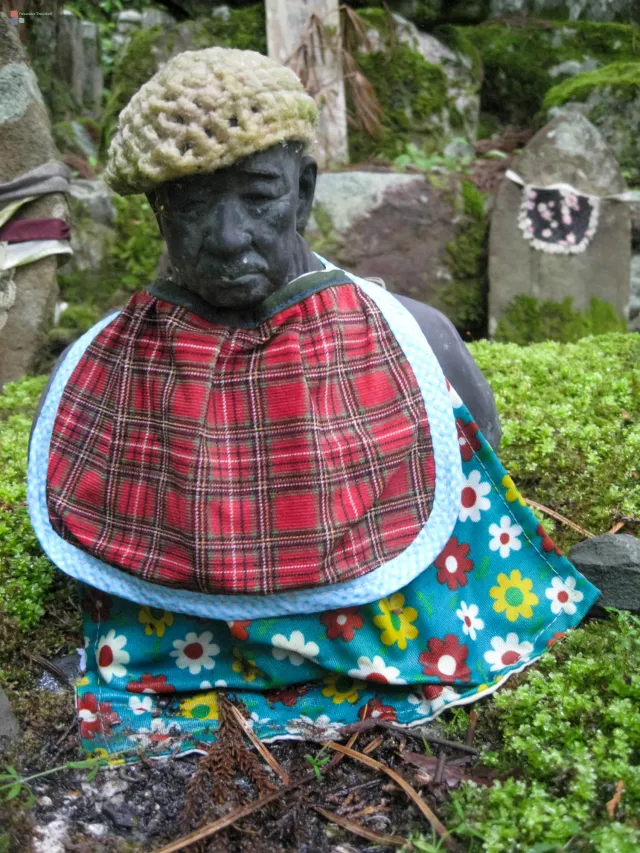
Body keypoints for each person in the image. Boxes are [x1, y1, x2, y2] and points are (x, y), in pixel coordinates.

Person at [28, 48, 597, 758]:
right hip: (162, 669)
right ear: (157, 209)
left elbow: (478, 463)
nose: (231, 235)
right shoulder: (99, 374)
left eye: (259, 196)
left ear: (304, 191)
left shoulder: (414, 340)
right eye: (196, 203)